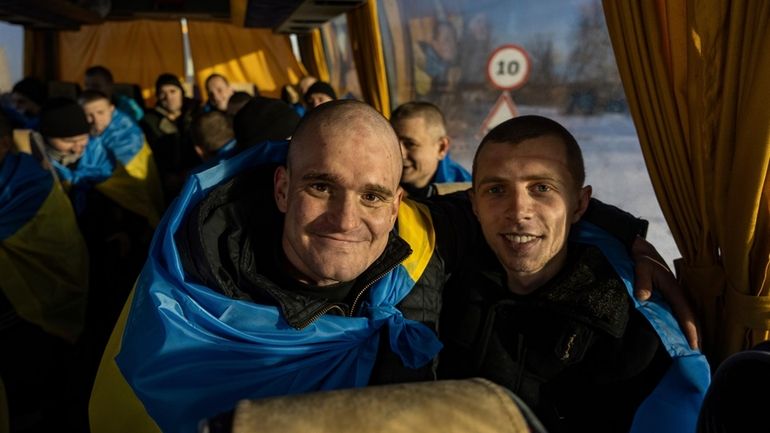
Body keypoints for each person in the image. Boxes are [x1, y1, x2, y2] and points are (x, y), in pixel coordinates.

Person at [89, 101, 695, 433]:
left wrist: (627, 234)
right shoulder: (185, 294)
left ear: (398, 201)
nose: (346, 219)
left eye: (373, 195)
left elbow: (521, 206)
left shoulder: (422, 241)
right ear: (281, 188)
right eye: (321, 186)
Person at [438, 115, 710, 433]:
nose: (518, 210)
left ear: (580, 204)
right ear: (474, 205)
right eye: (496, 190)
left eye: (542, 188)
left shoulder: (631, 327)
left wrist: (627, 235)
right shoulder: (444, 284)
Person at [0, 110, 89, 432]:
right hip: (14, 300)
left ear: (5, 144)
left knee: (35, 376)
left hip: (39, 298)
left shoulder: (27, 181)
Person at [79, 90, 164, 226]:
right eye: (88, 115)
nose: (95, 120)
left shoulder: (127, 130)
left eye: (100, 113)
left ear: (112, 109)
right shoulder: (82, 136)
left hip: (136, 205)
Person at [390, 101, 471, 198]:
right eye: (393, 143)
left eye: (410, 144)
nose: (399, 153)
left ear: (441, 148)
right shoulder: (376, 177)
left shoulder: (467, 196)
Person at [141, 73, 201, 202]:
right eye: (162, 93)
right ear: (157, 96)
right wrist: (165, 176)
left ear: (181, 92)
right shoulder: (149, 121)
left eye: (173, 91)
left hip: (198, 176)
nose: (168, 97)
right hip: (167, 184)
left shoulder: (197, 113)